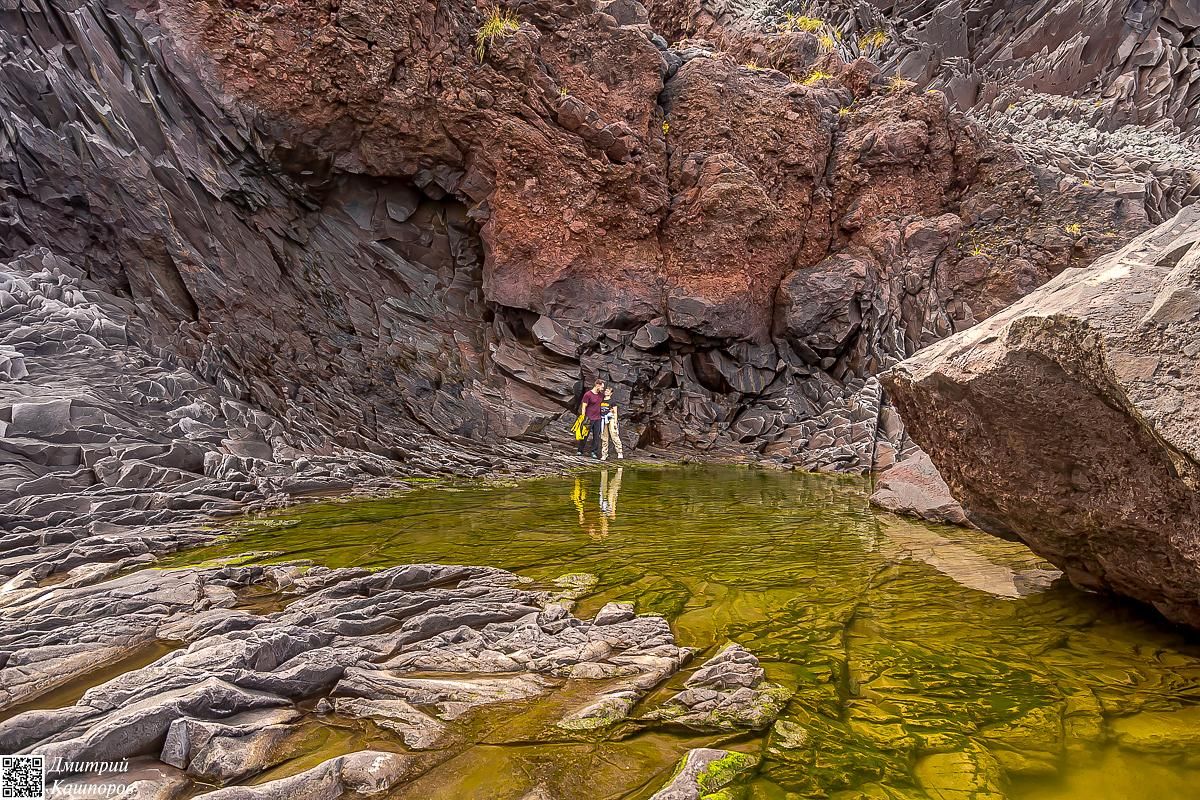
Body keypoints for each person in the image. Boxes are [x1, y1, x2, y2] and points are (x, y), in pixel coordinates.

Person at [577, 379, 605, 458]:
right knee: (584, 435)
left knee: (596, 436)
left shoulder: (601, 395)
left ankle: (593, 452)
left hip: (598, 418)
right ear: (597, 385)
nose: (602, 388)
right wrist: (583, 417)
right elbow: (584, 406)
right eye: (602, 387)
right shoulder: (588, 394)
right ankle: (580, 450)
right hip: (589, 418)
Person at [600, 388, 623, 460]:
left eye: (608, 391)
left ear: (611, 393)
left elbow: (615, 412)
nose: (606, 392)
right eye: (605, 391)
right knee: (604, 436)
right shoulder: (601, 400)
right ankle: (604, 454)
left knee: (614, 434)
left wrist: (615, 422)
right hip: (603, 418)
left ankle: (619, 452)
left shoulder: (612, 401)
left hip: (611, 418)